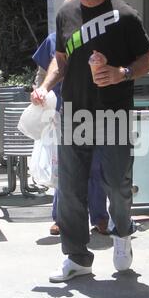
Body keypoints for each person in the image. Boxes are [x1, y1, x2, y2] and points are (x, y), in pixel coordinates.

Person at [31, 0, 149, 282]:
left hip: (113, 114)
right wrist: (45, 85)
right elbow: (61, 59)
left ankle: (123, 233)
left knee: (117, 184)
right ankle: (77, 258)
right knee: (70, 189)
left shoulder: (125, 16)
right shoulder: (66, 14)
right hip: (74, 113)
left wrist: (122, 73)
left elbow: (148, 59)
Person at [32, 30, 110, 236]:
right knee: (64, 167)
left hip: (94, 109)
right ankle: (61, 217)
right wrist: (41, 94)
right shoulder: (53, 39)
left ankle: (99, 216)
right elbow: (42, 71)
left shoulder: (97, 34)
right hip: (61, 111)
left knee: (95, 165)